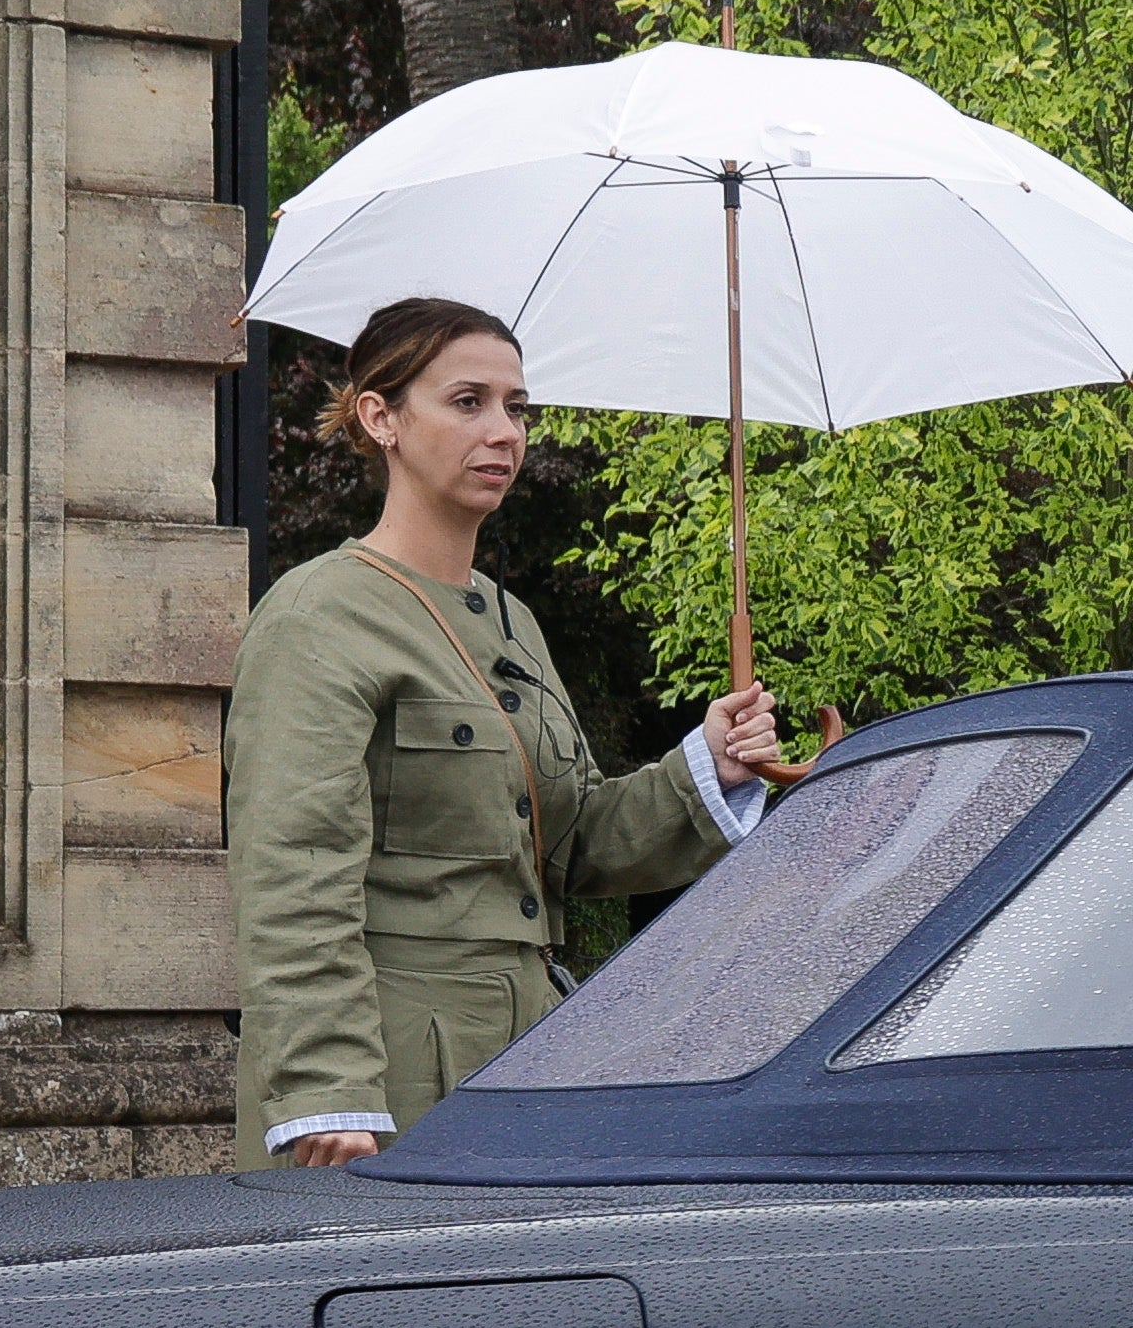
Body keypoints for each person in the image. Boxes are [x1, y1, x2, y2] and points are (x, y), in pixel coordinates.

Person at [233, 299, 795, 1166]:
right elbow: (294, 871)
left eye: (516, 407)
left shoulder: (512, 622)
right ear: (381, 417)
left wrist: (707, 768)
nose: (504, 431)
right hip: (386, 1079)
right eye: (468, 402)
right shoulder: (319, 614)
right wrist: (325, 1090)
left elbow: (568, 845)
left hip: (523, 1065)